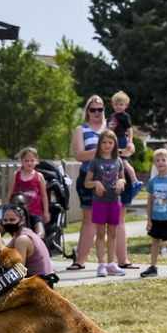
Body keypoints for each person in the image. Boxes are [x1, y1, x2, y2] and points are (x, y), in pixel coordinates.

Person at [68, 95, 108, 270]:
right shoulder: (81, 130)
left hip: (110, 178)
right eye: (93, 109)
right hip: (88, 177)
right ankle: (80, 261)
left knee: (112, 221)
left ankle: (115, 261)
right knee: (89, 220)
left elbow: (123, 149)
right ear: (87, 112)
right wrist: (99, 149)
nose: (97, 112)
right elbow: (79, 155)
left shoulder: (110, 128)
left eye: (100, 109)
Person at [84, 130, 125, 278]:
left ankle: (111, 263)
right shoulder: (95, 162)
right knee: (100, 233)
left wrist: (121, 181)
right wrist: (96, 183)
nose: (107, 145)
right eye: (104, 142)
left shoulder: (118, 161)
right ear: (100, 144)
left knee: (113, 233)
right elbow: (87, 183)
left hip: (114, 200)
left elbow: (123, 179)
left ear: (114, 144)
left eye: (110, 142)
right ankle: (101, 264)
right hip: (99, 201)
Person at [109, 91, 143, 269]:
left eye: (121, 104)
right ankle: (114, 259)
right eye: (116, 104)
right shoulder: (111, 118)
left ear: (126, 105)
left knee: (125, 163)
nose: (119, 107)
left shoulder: (125, 118)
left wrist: (128, 142)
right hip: (114, 147)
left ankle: (135, 181)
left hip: (121, 143)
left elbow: (130, 134)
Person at [140, 148, 167, 278]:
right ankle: (153, 267)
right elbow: (149, 202)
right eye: (157, 160)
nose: (160, 163)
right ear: (154, 163)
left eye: (163, 160)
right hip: (156, 217)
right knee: (155, 241)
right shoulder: (153, 181)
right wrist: (149, 220)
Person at [0, 204, 56, 287]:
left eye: (12, 220)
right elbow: (3, 254)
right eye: (5, 220)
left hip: (40, 285)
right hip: (44, 281)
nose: (8, 223)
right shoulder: (22, 234)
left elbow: (19, 270)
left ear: (22, 220)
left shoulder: (22, 239)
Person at [5, 147, 49, 226]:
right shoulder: (16, 175)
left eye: (32, 160)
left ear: (36, 161)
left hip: (36, 212)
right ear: (22, 161)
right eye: (26, 160)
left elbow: (44, 195)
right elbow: (10, 193)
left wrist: (46, 212)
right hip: (19, 212)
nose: (29, 163)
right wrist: (8, 208)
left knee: (38, 229)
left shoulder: (39, 176)